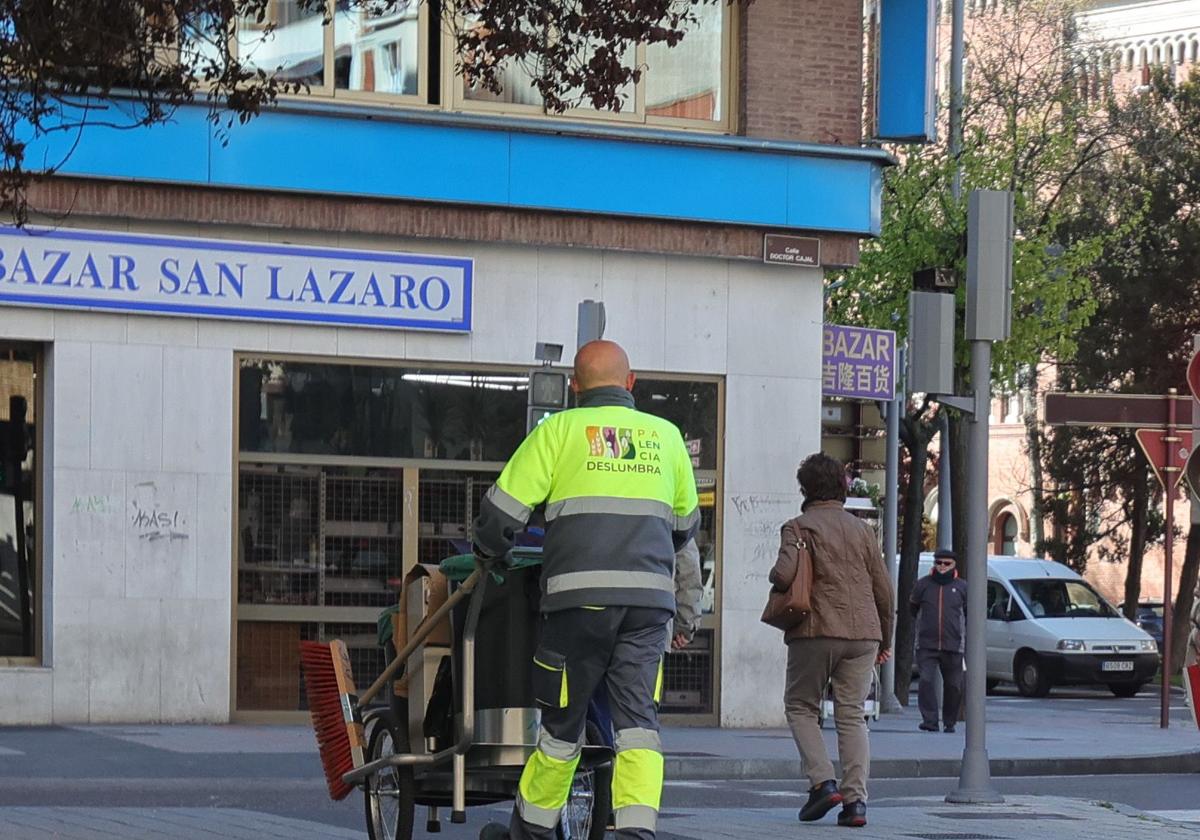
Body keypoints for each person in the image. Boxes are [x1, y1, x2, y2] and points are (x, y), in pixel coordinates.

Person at [472, 340, 699, 840]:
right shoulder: (667, 437)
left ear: (574, 387)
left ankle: (530, 832)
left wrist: (489, 551)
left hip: (578, 606)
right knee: (639, 725)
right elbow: (684, 529)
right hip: (647, 608)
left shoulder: (557, 431)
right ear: (631, 381)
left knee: (561, 728)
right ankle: (636, 831)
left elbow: (501, 514)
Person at [772, 453, 893, 829]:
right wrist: (885, 639)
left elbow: (783, 574)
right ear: (842, 487)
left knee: (800, 706)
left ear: (805, 488)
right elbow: (884, 590)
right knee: (851, 714)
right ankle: (856, 804)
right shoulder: (862, 531)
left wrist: (777, 574)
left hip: (816, 630)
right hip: (864, 635)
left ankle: (823, 783)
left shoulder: (798, 527)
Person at [909, 548, 968, 733]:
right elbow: (913, 607)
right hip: (927, 644)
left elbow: (968, 613)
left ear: (954, 565)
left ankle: (950, 721)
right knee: (925, 681)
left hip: (953, 645)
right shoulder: (923, 585)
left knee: (954, 686)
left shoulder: (962, 587)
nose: (942, 567)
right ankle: (930, 720)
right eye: (938, 563)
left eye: (946, 563)